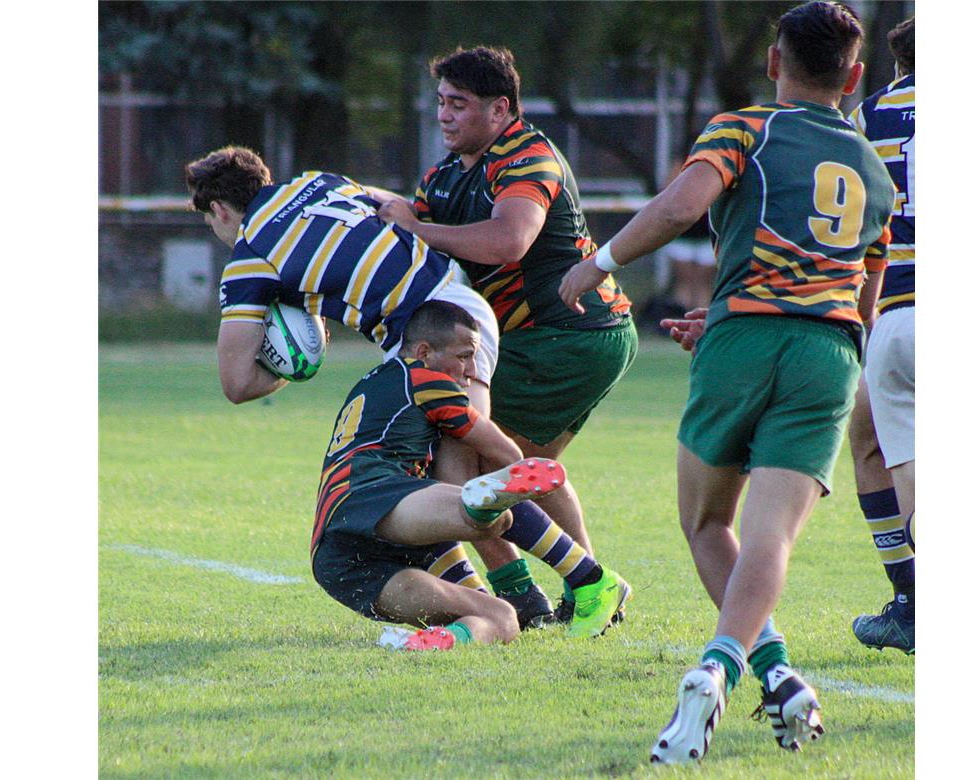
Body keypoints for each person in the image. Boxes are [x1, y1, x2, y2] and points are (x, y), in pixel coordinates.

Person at [559, 1, 894, 763]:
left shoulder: (745, 127)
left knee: (709, 524)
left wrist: (598, 264)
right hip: (828, 353)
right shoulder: (877, 173)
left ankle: (723, 667)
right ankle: (759, 673)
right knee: (770, 533)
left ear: (774, 62)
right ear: (856, 75)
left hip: (745, 343)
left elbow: (682, 206)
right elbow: (857, 300)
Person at [184, 146, 560, 630]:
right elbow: (391, 205)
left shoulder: (249, 257)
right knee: (444, 481)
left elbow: (236, 383)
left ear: (218, 210)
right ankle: (516, 600)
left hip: (435, 336)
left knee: (464, 482)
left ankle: (572, 583)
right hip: (449, 303)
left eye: (211, 222)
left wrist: (298, 363)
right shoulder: (322, 179)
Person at [376, 46, 638, 625]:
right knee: (526, 470)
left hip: (567, 333)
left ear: (501, 109)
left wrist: (419, 227)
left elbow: (509, 241)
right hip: (561, 339)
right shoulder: (443, 176)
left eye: (460, 104)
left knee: (469, 467)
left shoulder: (526, 156)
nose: (445, 115)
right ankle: (589, 592)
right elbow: (408, 243)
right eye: (441, 103)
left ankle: (526, 597)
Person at [310, 301, 630, 647]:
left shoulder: (371, 383)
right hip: (372, 493)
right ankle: (588, 576)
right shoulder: (425, 378)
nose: (470, 369)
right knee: (490, 516)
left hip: (340, 561)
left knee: (500, 618)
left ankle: (439, 641)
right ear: (424, 352)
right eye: (464, 355)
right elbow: (509, 454)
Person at [847, 15, 916, 654]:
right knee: (868, 432)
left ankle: (915, 599)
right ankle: (910, 602)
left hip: (901, 312)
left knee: (880, 443)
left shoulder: (874, 115)